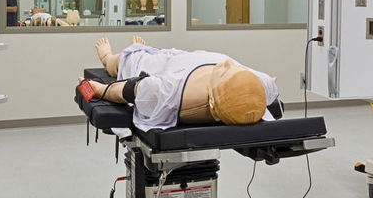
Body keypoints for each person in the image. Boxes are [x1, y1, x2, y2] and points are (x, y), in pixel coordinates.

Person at [79, 37, 278, 130]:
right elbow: (271, 82)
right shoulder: (259, 84)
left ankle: (107, 56)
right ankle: (140, 47)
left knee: (127, 59)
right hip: (191, 59)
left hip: (165, 66)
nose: (227, 66)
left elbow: (125, 89)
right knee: (162, 53)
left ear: (211, 100)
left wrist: (99, 89)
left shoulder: (167, 92)